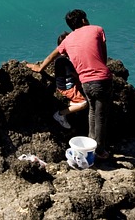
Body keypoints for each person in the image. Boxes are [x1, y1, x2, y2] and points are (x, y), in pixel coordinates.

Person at [29, 9, 112, 159]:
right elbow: (103, 55)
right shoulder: (97, 29)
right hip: (101, 79)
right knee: (100, 116)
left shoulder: (67, 40)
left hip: (85, 82)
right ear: (83, 21)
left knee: (92, 111)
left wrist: (39, 68)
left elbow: (52, 55)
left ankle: (90, 145)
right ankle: (99, 151)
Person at [50, 32, 89, 129]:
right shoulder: (63, 60)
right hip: (67, 86)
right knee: (84, 104)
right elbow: (74, 74)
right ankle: (60, 114)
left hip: (69, 83)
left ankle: (71, 104)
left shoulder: (62, 58)